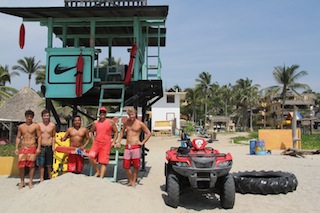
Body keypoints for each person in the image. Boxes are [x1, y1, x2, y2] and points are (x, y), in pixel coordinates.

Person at [117, 107, 151, 187]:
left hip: (136, 146)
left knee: (136, 166)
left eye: (132, 114)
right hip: (127, 146)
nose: (131, 116)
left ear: (135, 114)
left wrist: (142, 143)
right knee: (126, 165)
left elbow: (148, 133)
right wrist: (118, 141)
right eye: (129, 115)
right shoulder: (126, 122)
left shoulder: (140, 123)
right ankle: (131, 180)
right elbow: (122, 132)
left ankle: (133, 182)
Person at [88, 106, 118, 178]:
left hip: (106, 144)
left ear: (106, 113)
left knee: (103, 162)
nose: (102, 114)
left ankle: (101, 177)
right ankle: (97, 171)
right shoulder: (95, 122)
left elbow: (116, 132)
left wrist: (113, 142)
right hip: (97, 143)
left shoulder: (111, 122)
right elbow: (91, 132)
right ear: (99, 114)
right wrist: (93, 141)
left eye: (103, 112)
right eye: (101, 112)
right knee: (90, 156)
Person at [15, 110, 42, 189]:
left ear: (32, 117)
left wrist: (38, 148)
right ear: (25, 117)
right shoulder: (21, 126)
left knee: (31, 165)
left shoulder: (35, 126)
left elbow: (39, 136)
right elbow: (18, 137)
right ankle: (22, 182)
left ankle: (30, 181)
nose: (29, 118)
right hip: (23, 147)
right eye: (28, 116)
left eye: (30, 116)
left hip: (32, 146)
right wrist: (16, 148)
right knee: (21, 165)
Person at [36, 109, 56, 182]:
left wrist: (53, 146)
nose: (46, 117)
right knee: (41, 163)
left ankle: (50, 178)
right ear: (42, 116)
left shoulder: (52, 125)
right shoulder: (38, 125)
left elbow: (53, 136)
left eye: (47, 116)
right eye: (45, 116)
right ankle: (41, 178)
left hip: (49, 145)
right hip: (41, 146)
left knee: (49, 164)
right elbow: (37, 136)